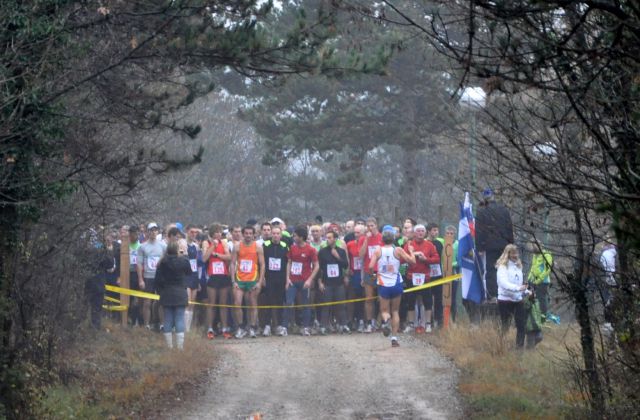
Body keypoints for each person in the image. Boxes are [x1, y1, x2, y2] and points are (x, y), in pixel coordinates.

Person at [370, 226, 416, 347]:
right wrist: (411, 251)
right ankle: (394, 338)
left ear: (382, 239)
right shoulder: (398, 250)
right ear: (394, 239)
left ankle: (386, 321)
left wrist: (374, 274)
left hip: (383, 284)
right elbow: (412, 261)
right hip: (396, 283)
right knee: (395, 310)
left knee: (384, 311)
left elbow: (370, 266)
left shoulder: (378, 250)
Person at [476, 188, 514, 302]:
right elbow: (509, 227)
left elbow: (479, 230)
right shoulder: (503, 209)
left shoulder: (481, 211)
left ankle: (493, 295)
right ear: (494, 197)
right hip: (504, 244)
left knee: (491, 270)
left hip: (489, 246)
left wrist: (480, 247)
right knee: (505, 268)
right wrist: (511, 244)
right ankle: (506, 294)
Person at [283, 225, 319, 336]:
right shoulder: (292, 248)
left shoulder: (311, 250)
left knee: (305, 304)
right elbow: (289, 263)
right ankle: (285, 326)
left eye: (295, 236)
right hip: (292, 281)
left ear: (301, 237)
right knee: (288, 303)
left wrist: (310, 280)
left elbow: (316, 266)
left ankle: (306, 327)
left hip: (304, 281)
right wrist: (287, 278)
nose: (293, 237)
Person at [155, 242, 192, 349]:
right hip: (180, 292)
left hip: (166, 292)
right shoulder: (184, 261)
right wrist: (184, 254)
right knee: (179, 318)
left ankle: (169, 347)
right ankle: (180, 348)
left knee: (168, 319)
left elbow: (158, 279)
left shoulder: (162, 262)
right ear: (177, 250)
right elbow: (189, 272)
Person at [230, 225, 265, 338]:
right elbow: (232, 263)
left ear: (254, 234)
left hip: (253, 279)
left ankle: (253, 327)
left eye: (251, 233)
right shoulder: (237, 246)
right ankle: (240, 327)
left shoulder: (258, 247)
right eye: (246, 233)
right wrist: (233, 281)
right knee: (237, 303)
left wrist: (259, 282)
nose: (248, 235)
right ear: (243, 234)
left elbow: (262, 264)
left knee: (252, 304)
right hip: (240, 279)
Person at [404, 224, 441, 333]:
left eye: (422, 231)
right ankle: (411, 324)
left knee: (427, 301)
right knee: (411, 301)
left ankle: (427, 324)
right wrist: (413, 255)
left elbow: (437, 259)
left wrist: (426, 259)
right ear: (414, 233)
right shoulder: (409, 244)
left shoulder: (429, 245)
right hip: (411, 276)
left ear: (425, 233)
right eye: (418, 231)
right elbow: (402, 258)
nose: (420, 233)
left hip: (425, 277)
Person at [202, 224, 233, 339]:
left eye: (220, 232)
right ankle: (210, 328)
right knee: (212, 304)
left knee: (223, 304)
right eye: (217, 232)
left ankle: (225, 328)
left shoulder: (223, 242)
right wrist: (212, 246)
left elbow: (229, 257)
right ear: (212, 233)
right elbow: (204, 258)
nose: (219, 234)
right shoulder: (206, 243)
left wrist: (216, 254)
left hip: (223, 275)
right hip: (212, 276)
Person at [317, 231, 350, 334]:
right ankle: (323, 326)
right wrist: (320, 282)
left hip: (338, 282)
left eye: (330, 238)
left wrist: (337, 257)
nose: (328, 239)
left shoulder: (341, 251)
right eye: (327, 238)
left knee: (341, 305)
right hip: (327, 282)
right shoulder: (322, 252)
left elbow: (345, 265)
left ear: (335, 239)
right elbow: (319, 268)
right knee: (326, 305)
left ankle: (343, 325)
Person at [496, 244, 528, 349]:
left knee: (521, 326)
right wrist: (518, 288)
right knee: (506, 326)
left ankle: (519, 350)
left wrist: (527, 291)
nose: (516, 255)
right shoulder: (502, 267)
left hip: (518, 300)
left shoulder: (518, 266)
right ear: (508, 254)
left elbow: (520, 285)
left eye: (517, 253)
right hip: (505, 300)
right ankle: (500, 347)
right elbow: (503, 284)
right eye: (513, 253)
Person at [137, 222, 167, 330]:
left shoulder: (163, 246)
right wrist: (141, 279)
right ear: (147, 232)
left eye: (155, 230)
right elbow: (139, 264)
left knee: (161, 301)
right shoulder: (142, 247)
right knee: (147, 302)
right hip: (148, 277)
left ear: (158, 231)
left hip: (160, 278)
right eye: (151, 230)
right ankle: (146, 325)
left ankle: (162, 324)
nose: (153, 232)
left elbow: (166, 262)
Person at [261, 226, 289, 336]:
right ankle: (267, 325)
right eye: (274, 233)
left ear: (281, 235)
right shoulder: (265, 245)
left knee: (280, 301)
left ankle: (279, 325)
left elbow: (288, 263)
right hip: (269, 278)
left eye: (278, 233)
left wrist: (287, 279)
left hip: (281, 278)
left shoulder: (285, 246)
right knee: (268, 301)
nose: (276, 235)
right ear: (271, 234)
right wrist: (262, 277)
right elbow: (261, 263)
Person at [358, 217, 383, 333]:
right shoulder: (363, 239)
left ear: (376, 225)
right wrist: (367, 241)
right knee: (369, 298)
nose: (370, 228)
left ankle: (380, 321)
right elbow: (361, 255)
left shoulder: (382, 237)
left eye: (372, 225)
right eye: (368, 226)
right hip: (369, 271)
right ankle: (369, 322)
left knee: (382, 298)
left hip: (381, 271)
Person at [526, 241, 553, 321]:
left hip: (543, 282)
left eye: (533, 248)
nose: (532, 250)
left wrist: (538, 280)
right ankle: (534, 318)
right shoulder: (535, 255)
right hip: (533, 281)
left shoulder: (547, 255)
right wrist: (529, 279)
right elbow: (533, 267)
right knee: (532, 299)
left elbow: (547, 270)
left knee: (542, 299)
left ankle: (543, 318)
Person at [346, 224, 365, 332]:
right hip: (354, 273)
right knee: (351, 297)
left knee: (365, 296)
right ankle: (350, 320)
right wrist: (348, 270)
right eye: (355, 233)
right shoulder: (350, 244)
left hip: (366, 273)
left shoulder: (367, 243)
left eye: (359, 233)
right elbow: (348, 257)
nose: (356, 235)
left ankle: (363, 320)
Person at [184, 224, 201, 332]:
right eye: (192, 232)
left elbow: (197, 263)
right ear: (187, 231)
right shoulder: (182, 244)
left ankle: (188, 329)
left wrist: (198, 280)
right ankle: (183, 328)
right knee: (187, 302)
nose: (194, 234)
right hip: (186, 276)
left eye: (196, 232)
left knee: (192, 304)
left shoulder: (196, 246)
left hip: (194, 275)